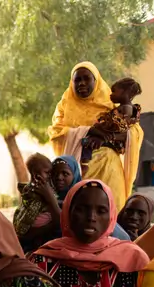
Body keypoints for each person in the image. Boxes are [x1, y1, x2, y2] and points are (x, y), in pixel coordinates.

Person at [49, 62, 142, 209]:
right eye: (77, 80)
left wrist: (107, 137)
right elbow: (56, 133)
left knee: (111, 213)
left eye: (87, 79)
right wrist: (89, 131)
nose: (82, 83)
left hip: (109, 170)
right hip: (78, 171)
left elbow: (134, 133)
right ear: (71, 82)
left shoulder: (111, 104)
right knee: (78, 213)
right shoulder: (64, 106)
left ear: (96, 81)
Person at [13, 154, 62, 253]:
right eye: (47, 173)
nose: (50, 176)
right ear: (36, 175)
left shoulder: (31, 187)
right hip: (33, 224)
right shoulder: (38, 188)